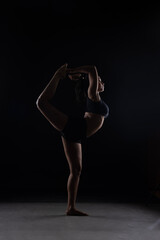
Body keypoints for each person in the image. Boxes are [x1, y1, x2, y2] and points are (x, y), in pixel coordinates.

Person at [36, 64, 109, 216]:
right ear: (93, 83)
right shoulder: (93, 94)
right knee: (41, 103)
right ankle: (57, 75)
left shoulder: (95, 97)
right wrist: (70, 72)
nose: (102, 83)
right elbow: (92, 69)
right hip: (74, 127)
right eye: (100, 81)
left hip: (77, 134)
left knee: (76, 171)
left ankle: (71, 208)